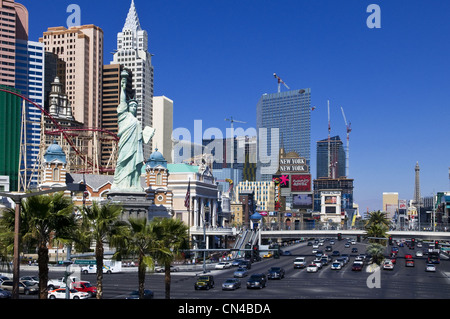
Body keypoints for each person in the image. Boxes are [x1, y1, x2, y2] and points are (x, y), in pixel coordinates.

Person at [111, 70, 154, 192]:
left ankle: (134, 185)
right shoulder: (124, 116)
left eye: (136, 106)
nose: (134, 108)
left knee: (135, 167)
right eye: (132, 106)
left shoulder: (137, 121)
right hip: (125, 145)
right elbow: (122, 101)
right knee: (122, 163)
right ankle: (118, 183)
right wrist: (123, 88)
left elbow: (142, 138)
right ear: (128, 107)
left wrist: (147, 135)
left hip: (136, 148)